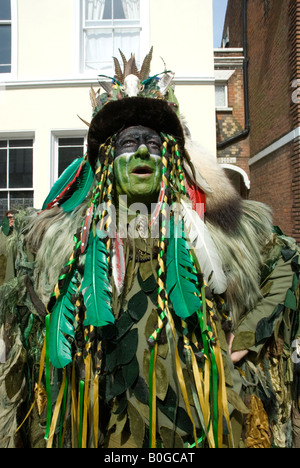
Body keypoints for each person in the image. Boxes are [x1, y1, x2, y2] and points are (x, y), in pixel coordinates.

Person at [0, 50, 299, 449]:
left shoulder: (216, 228)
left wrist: (249, 332)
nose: (142, 151)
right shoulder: (59, 236)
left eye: (152, 143)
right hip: (99, 426)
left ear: (170, 157)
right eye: (129, 142)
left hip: (197, 425)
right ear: (106, 160)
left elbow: (287, 260)